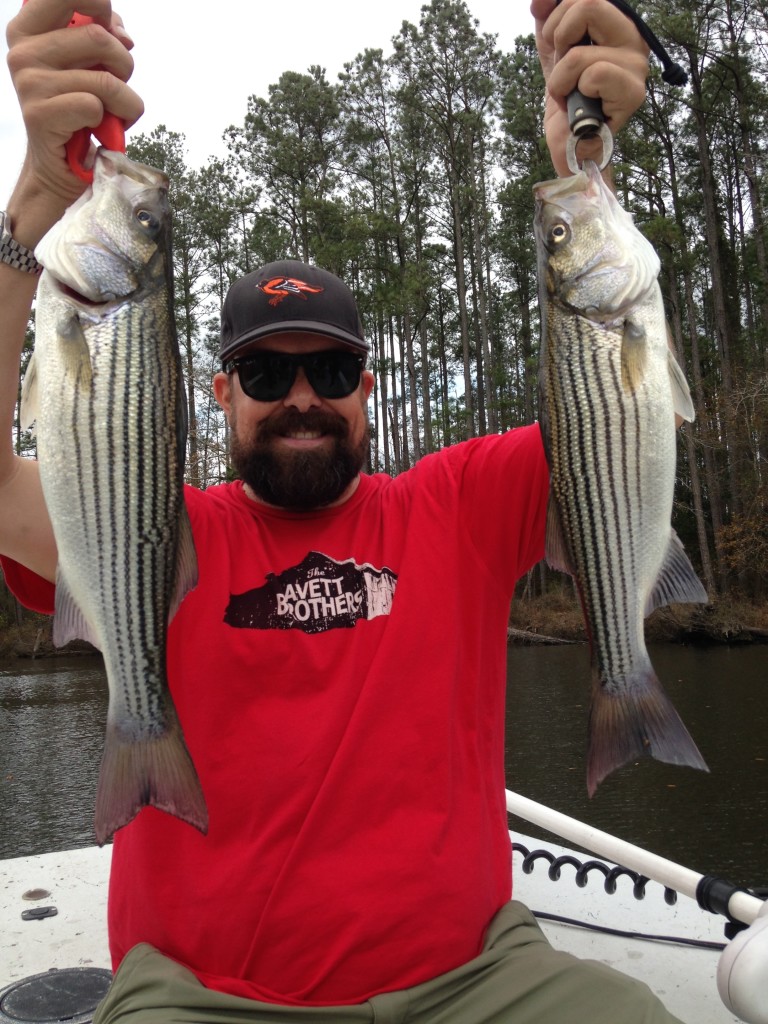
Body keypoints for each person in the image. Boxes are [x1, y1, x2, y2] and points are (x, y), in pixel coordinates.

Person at [0, 1, 679, 1021]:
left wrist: (588, 163)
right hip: (198, 996)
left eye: (332, 368)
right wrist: (34, 209)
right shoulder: (149, 529)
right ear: (219, 393)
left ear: (367, 386)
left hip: (478, 980)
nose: (302, 396)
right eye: (267, 373)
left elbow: (613, 411)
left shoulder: (462, 503)